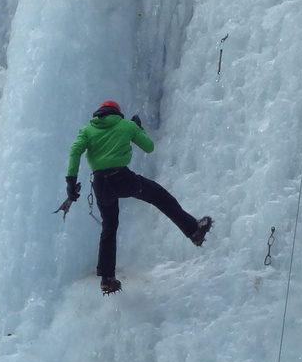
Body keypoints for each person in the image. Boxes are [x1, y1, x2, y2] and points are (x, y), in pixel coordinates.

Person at [64, 101, 211, 294]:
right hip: (122, 178)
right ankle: (193, 231)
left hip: (100, 184)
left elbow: (75, 152)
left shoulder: (87, 130)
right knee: (159, 196)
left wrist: (71, 182)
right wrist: (138, 130)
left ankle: (107, 279)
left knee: (109, 227)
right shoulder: (126, 125)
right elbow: (148, 147)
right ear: (117, 113)